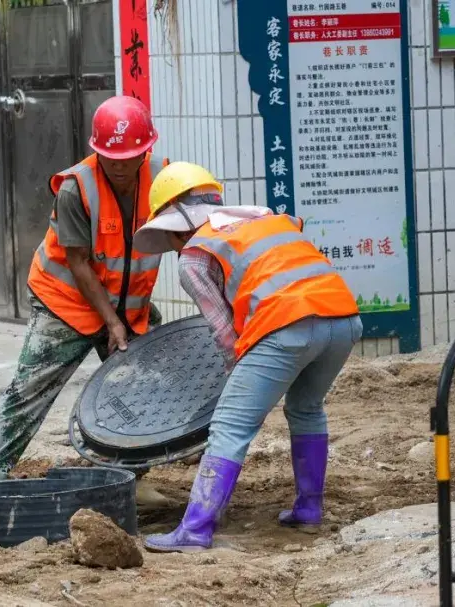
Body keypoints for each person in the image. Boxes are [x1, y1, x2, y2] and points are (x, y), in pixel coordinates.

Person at [131, 162, 364, 551]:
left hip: (287, 326)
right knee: (306, 408)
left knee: (230, 425)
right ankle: (309, 509)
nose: (173, 245)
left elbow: (226, 333)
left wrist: (232, 378)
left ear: (175, 221)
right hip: (343, 319)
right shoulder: (263, 220)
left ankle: (196, 528)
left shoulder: (193, 255)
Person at [0, 96, 175, 507]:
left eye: (129, 156)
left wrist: (124, 319)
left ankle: (133, 479)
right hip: (65, 300)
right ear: (97, 150)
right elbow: (79, 264)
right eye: (110, 157)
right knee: (31, 385)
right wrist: (111, 324)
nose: (119, 165)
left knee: (141, 388)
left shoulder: (163, 179)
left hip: (127, 304)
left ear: (146, 150)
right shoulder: (75, 188)